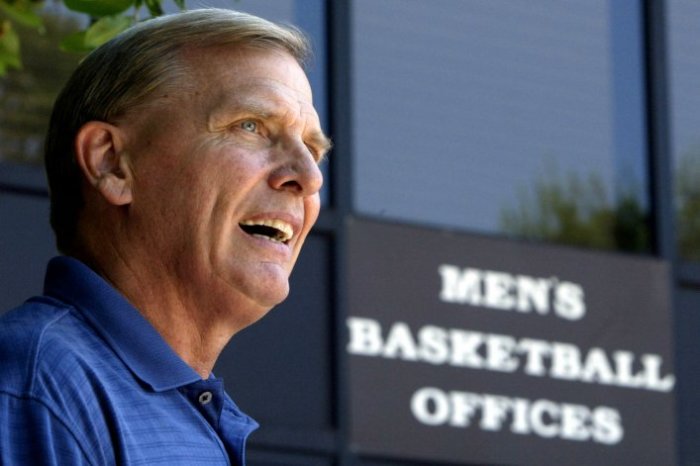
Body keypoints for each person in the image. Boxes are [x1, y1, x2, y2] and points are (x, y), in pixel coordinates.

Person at [0, 8, 330, 465]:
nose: (309, 177)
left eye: (313, 149)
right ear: (112, 163)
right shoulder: (39, 386)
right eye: (250, 126)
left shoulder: (178, 407)